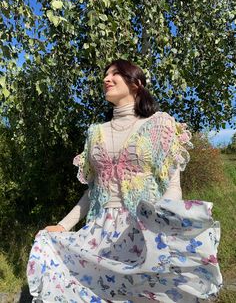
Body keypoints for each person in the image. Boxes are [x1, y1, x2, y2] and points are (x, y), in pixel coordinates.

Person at [27, 59, 222, 303]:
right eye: (105, 75)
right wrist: (64, 226)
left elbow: (172, 184)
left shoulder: (159, 124)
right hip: (100, 234)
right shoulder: (94, 133)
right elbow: (92, 192)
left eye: (115, 74)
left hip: (143, 230)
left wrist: (165, 225)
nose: (106, 79)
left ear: (136, 84)